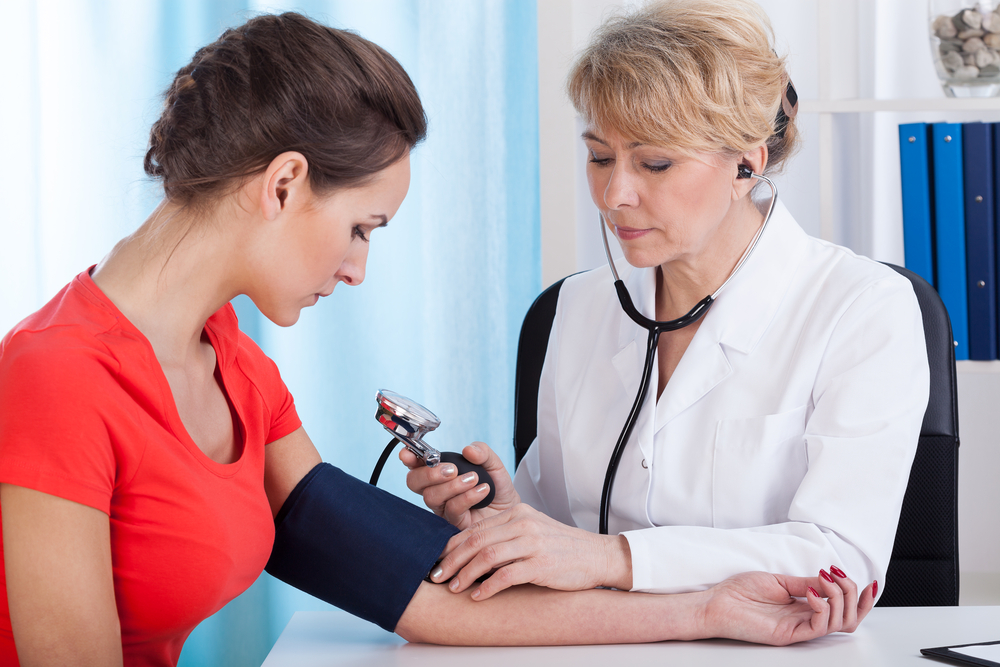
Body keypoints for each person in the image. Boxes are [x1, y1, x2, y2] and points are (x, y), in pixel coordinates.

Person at [0, 11, 875, 667]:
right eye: (363, 227)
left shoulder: (229, 358)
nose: (357, 270)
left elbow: (414, 592)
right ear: (284, 184)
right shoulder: (54, 379)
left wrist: (703, 608)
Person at [406, 0, 929, 607]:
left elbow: (842, 557)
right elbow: (558, 528)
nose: (612, 194)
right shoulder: (576, 306)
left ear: (745, 163)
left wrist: (616, 558)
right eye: (600, 156)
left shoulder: (863, 309)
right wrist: (501, 519)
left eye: (654, 163)